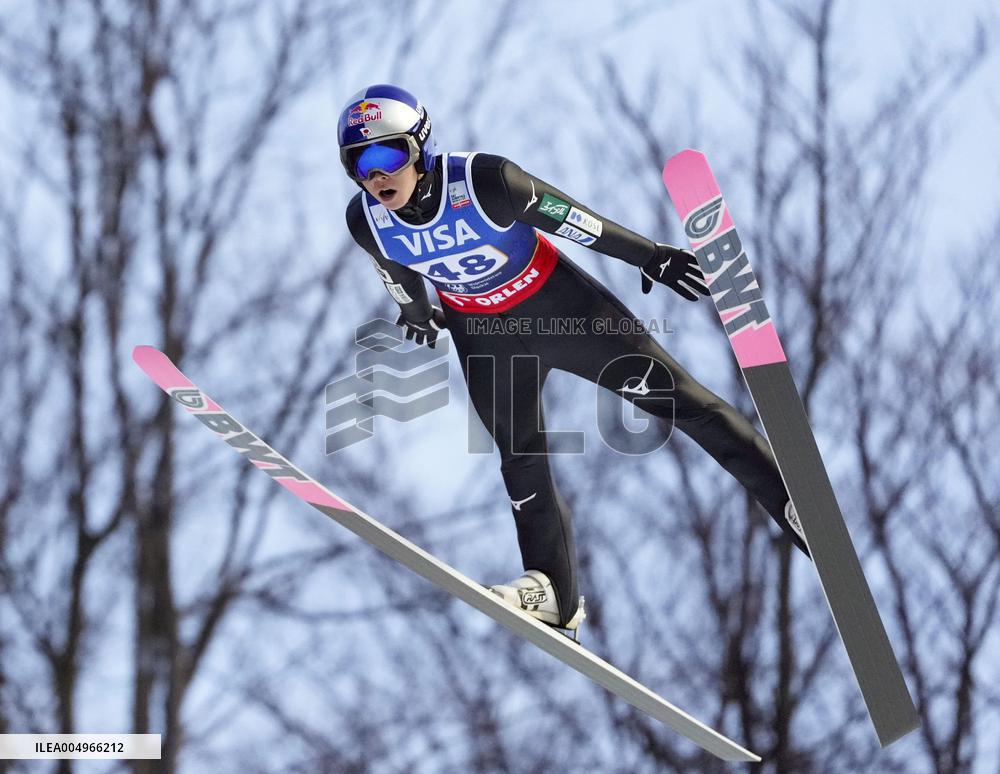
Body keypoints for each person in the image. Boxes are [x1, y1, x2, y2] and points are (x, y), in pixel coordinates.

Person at [339, 84, 808, 637]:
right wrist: (416, 313)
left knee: (679, 401)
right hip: (484, 335)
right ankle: (553, 593)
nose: (376, 177)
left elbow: (576, 221)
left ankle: (791, 502)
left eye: (385, 156)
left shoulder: (486, 181)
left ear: (421, 144)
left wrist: (652, 256)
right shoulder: (366, 219)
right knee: (519, 457)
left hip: (560, 310)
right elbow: (395, 273)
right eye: (359, 166)